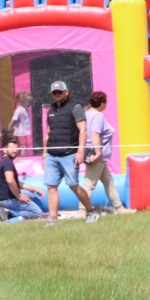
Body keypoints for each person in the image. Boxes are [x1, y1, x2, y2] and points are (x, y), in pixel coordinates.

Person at [43, 80, 94, 225]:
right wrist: (44, 154)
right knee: (51, 186)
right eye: (54, 93)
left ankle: (90, 211)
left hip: (70, 154)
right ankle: (52, 219)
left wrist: (80, 151)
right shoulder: (51, 110)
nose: (57, 94)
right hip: (52, 155)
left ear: (67, 92)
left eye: (60, 92)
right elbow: (48, 133)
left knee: (73, 185)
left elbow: (83, 130)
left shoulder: (75, 107)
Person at [81, 91, 135, 215]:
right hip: (97, 156)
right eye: (106, 102)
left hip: (93, 154)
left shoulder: (86, 114)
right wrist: (98, 153)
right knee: (89, 184)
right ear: (102, 103)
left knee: (109, 183)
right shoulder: (97, 116)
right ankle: (82, 211)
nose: (106, 104)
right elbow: (95, 134)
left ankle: (120, 209)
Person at [0, 135, 46, 223]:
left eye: (16, 148)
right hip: (7, 199)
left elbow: (17, 183)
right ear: (4, 149)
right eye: (12, 149)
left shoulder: (5, 161)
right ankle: (10, 214)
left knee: (31, 194)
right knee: (38, 213)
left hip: (3, 198)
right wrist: (19, 195)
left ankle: (10, 211)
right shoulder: (7, 163)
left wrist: (35, 189)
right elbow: (10, 180)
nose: (15, 151)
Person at [8, 91, 34, 156]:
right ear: (23, 101)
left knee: (21, 146)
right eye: (28, 102)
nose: (29, 104)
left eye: (30, 102)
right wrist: (9, 129)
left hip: (23, 131)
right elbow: (13, 120)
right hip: (20, 132)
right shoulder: (19, 110)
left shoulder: (25, 109)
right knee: (24, 145)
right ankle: (23, 158)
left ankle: (19, 155)